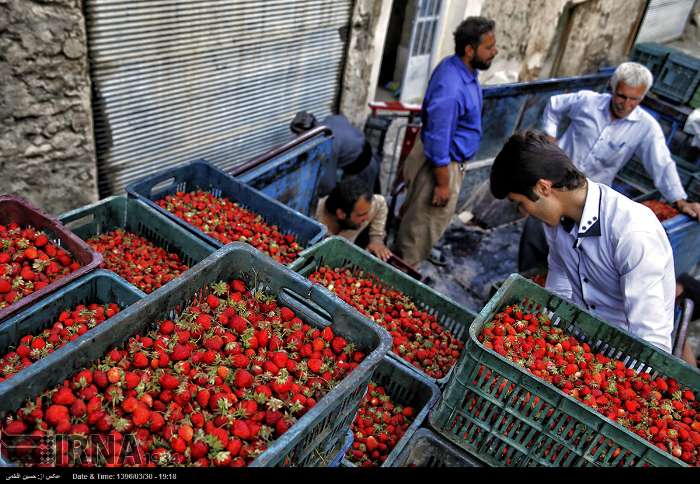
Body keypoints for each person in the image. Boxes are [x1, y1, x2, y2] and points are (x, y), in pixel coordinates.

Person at [491, 130, 676, 353]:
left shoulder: (631, 232)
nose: (523, 212)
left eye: (519, 202)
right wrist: (543, 332)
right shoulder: (556, 223)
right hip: (581, 341)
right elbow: (559, 277)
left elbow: (651, 339)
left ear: (543, 188)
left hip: (625, 354)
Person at [519, 62, 700, 272]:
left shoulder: (646, 127)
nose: (626, 104)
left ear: (643, 97)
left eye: (635, 99)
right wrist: (550, 137)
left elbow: (662, 163)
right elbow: (554, 105)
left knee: (571, 252)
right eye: (622, 96)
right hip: (553, 184)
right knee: (535, 234)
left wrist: (679, 200)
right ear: (613, 89)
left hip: (588, 199)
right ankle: (526, 276)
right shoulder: (587, 101)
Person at [395, 16, 497, 268]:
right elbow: (438, 140)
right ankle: (402, 274)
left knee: (426, 222)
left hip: (448, 162)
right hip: (440, 166)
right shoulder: (451, 86)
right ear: (469, 49)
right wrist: (443, 184)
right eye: (489, 47)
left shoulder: (464, 71)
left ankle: (413, 258)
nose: (495, 51)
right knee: (420, 227)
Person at [290, 111, 380, 197]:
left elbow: (328, 185)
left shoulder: (328, 143)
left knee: (363, 202)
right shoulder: (332, 119)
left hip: (362, 169)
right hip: (368, 154)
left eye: (300, 135)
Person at [315, 176, 392, 261]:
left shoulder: (365, 207)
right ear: (341, 214)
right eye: (361, 215)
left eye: (368, 212)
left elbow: (381, 203)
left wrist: (376, 238)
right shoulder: (316, 220)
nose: (367, 218)